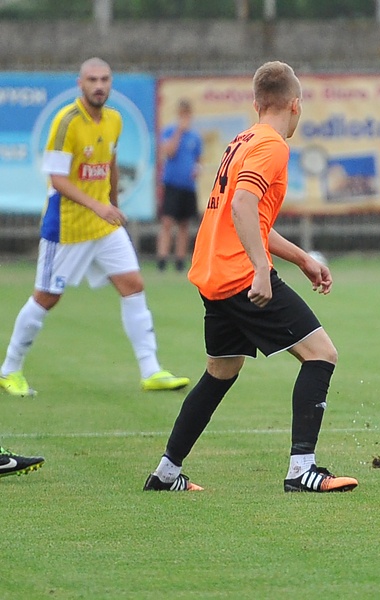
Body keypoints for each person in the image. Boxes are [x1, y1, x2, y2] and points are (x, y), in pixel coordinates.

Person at [143, 61, 358, 494]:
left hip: (214, 273)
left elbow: (248, 215)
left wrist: (300, 258)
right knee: (321, 354)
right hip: (240, 274)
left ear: (257, 103)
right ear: (295, 105)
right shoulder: (273, 145)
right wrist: (263, 269)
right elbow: (242, 206)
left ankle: (166, 474)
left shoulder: (242, 140)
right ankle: (302, 470)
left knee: (221, 371)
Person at [0, 57, 190, 397]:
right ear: (80, 83)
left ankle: (151, 370)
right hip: (67, 227)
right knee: (46, 297)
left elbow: (111, 164)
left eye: (104, 79)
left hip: (103, 227)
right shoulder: (66, 122)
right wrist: (100, 206)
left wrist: (112, 203)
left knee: (133, 284)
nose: (99, 85)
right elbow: (57, 179)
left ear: (111, 83)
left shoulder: (114, 120)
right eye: (92, 79)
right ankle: (9, 369)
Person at [156, 98, 203, 273]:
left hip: (188, 186)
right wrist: (178, 132)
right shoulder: (170, 132)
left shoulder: (195, 137)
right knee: (167, 222)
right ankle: (161, 259)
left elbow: (198, 159)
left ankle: (180, 260)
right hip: (172, 184)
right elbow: (169, 152)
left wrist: (198, 169)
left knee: (184, 224)